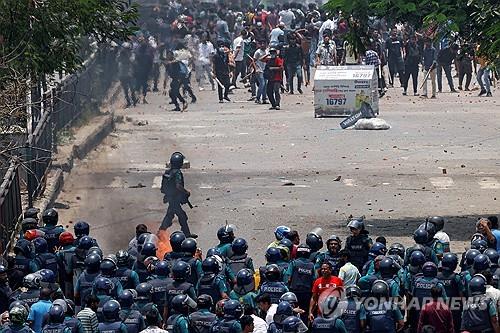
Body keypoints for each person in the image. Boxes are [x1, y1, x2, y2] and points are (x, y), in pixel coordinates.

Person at [160, 152, 193, 237]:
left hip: (170, 197)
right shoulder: (177, 173)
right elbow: (178, 186)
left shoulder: (168, 171)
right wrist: (186, 192)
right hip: (175, 198)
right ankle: (160, 233)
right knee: (181, 216)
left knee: (171, 216)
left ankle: (161, 232)